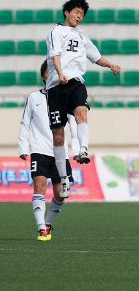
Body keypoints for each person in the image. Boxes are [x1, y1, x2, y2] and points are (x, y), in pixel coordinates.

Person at [46, 0, 121, 198]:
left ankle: (83, 149)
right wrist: (60, 73)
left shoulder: (81, 35)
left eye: (82, 13)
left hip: (75, 83)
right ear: (67, 12)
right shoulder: (56, 32)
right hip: (55, 86)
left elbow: (95, 56)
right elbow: (56, 54)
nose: (79, 16)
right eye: (77, 12)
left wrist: (110, 65)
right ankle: (63, 179)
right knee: (58, 135)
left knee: (81, 111)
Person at [18, 60, 79, 242]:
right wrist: (23, 147)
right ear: (44, 75)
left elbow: (74, 125)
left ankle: (48, 222)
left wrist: (76, 149)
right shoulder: (34, 98)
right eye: (49, 71)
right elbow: (24, 123)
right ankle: (41, 229)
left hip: (60, 153)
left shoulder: (65, 98)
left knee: (62, 192)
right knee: (39, 187)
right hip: (39, 150)